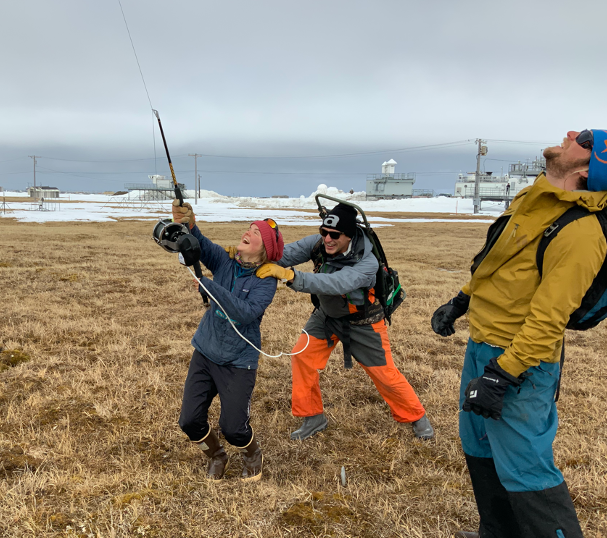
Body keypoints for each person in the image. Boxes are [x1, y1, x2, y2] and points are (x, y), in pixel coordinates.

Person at [432, 129, 607, 538]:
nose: (568, 134)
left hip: (521, 363)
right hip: (483, 345)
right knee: (478, 446)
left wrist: (503, 373)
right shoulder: (534, 200)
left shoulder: (582, 233)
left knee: (525, 464)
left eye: (583, 138)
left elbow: (549, 320)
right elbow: (498, 261)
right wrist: (461, 300)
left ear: (586, 169)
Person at [255, 203, 434, 441]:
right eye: (324, 233)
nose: (327, 239)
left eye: (335, 235)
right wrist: (249, 255)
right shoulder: (317, 244)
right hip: (326, 316)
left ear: (349, 235)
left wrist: (291, 276)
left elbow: (336, 283)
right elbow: (282, 255)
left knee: (384, 374)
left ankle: (416, 416)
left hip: (363, 322)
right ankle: (313, 417)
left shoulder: (367, 263)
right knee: (302, 356)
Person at [172, 199, 284, 482]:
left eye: (256, 233)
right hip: (206, 352)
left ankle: (252, 453)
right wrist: (187, 223)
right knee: (189, 421)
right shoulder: (225, 260)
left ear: (265, 250)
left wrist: (210, 287)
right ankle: (216, 455)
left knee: (234, 428)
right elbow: (198, 243)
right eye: (249, 228)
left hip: (238, 361)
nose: (248, 232)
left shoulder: (266, 280)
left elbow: (246, 313)